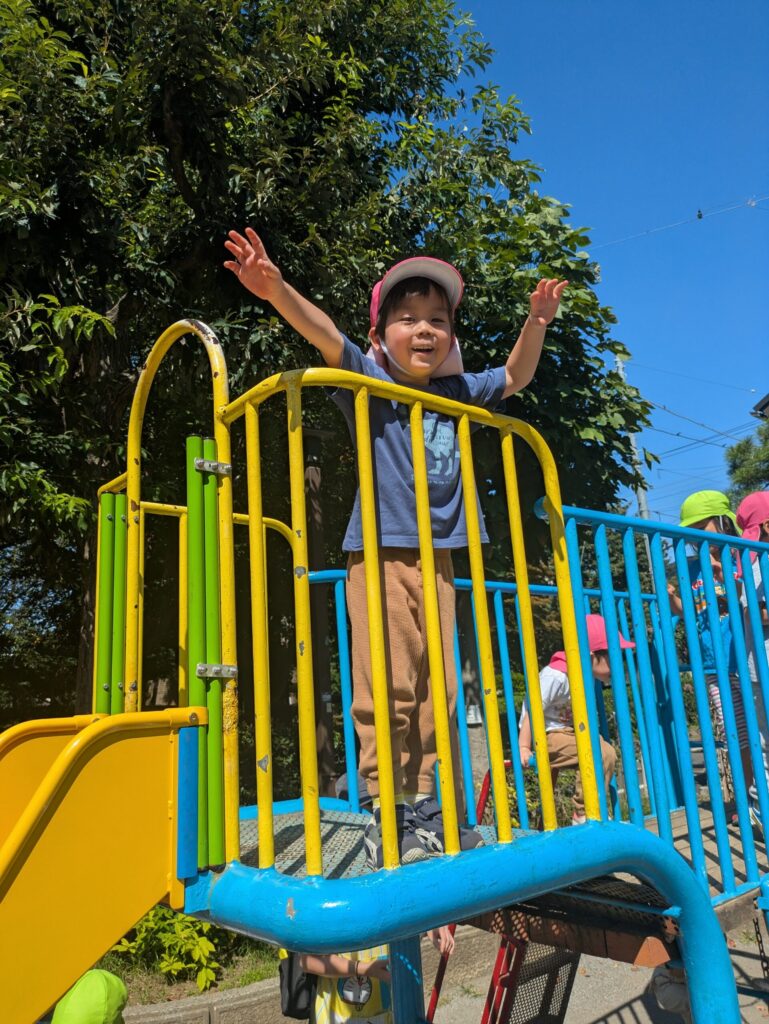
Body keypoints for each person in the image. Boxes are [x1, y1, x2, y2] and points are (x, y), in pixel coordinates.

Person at [224, 227, 566, 868]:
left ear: (451, 337)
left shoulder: (457, 393)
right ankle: (390, 807)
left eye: (438, 319)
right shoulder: (373, 383)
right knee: (388, 684)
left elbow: (516, 375)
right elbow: (327, 336)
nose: (425, 329)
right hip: (381, 554)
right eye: (408, 318)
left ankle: (429, 807)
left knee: (439, 690)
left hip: (441, 559)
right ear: (382, 336)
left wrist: (537, 321)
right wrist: (276, 290)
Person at [667, 490, 753, 797]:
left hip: (743, 657)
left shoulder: (741, 555)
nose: (695, 537)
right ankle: (747, 798)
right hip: (712, 663)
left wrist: (727, 577)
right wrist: (672, 598)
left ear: (722, 521)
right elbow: (688, 612)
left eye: (701, 528)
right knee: (735, 733)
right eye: (690, 532)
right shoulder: (691, 568)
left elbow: (746, 598)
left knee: (759, 728)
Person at [517, 614, 633, 824]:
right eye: (614, 656)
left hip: (568, 734)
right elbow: (534, 708)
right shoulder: (556, 675)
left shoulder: (584, 676)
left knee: (605, 751)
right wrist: (524, 746)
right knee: (598, 751)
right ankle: (584, 812)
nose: (619, 663)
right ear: (591, 656)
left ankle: (592, 809)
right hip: (546, 736)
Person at [297, 927, 454, 1024]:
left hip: (390, 1013)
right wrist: (364, 969)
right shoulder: (336, 898)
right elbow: (307, 960)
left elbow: (413, 912)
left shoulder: (393, 891)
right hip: (337, 1015)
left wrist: (432, 926)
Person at [736, 490, 769, 826]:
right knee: (766, 739)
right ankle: (762, 806)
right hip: (763, 667)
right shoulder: (757, 564)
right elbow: (755, 614)